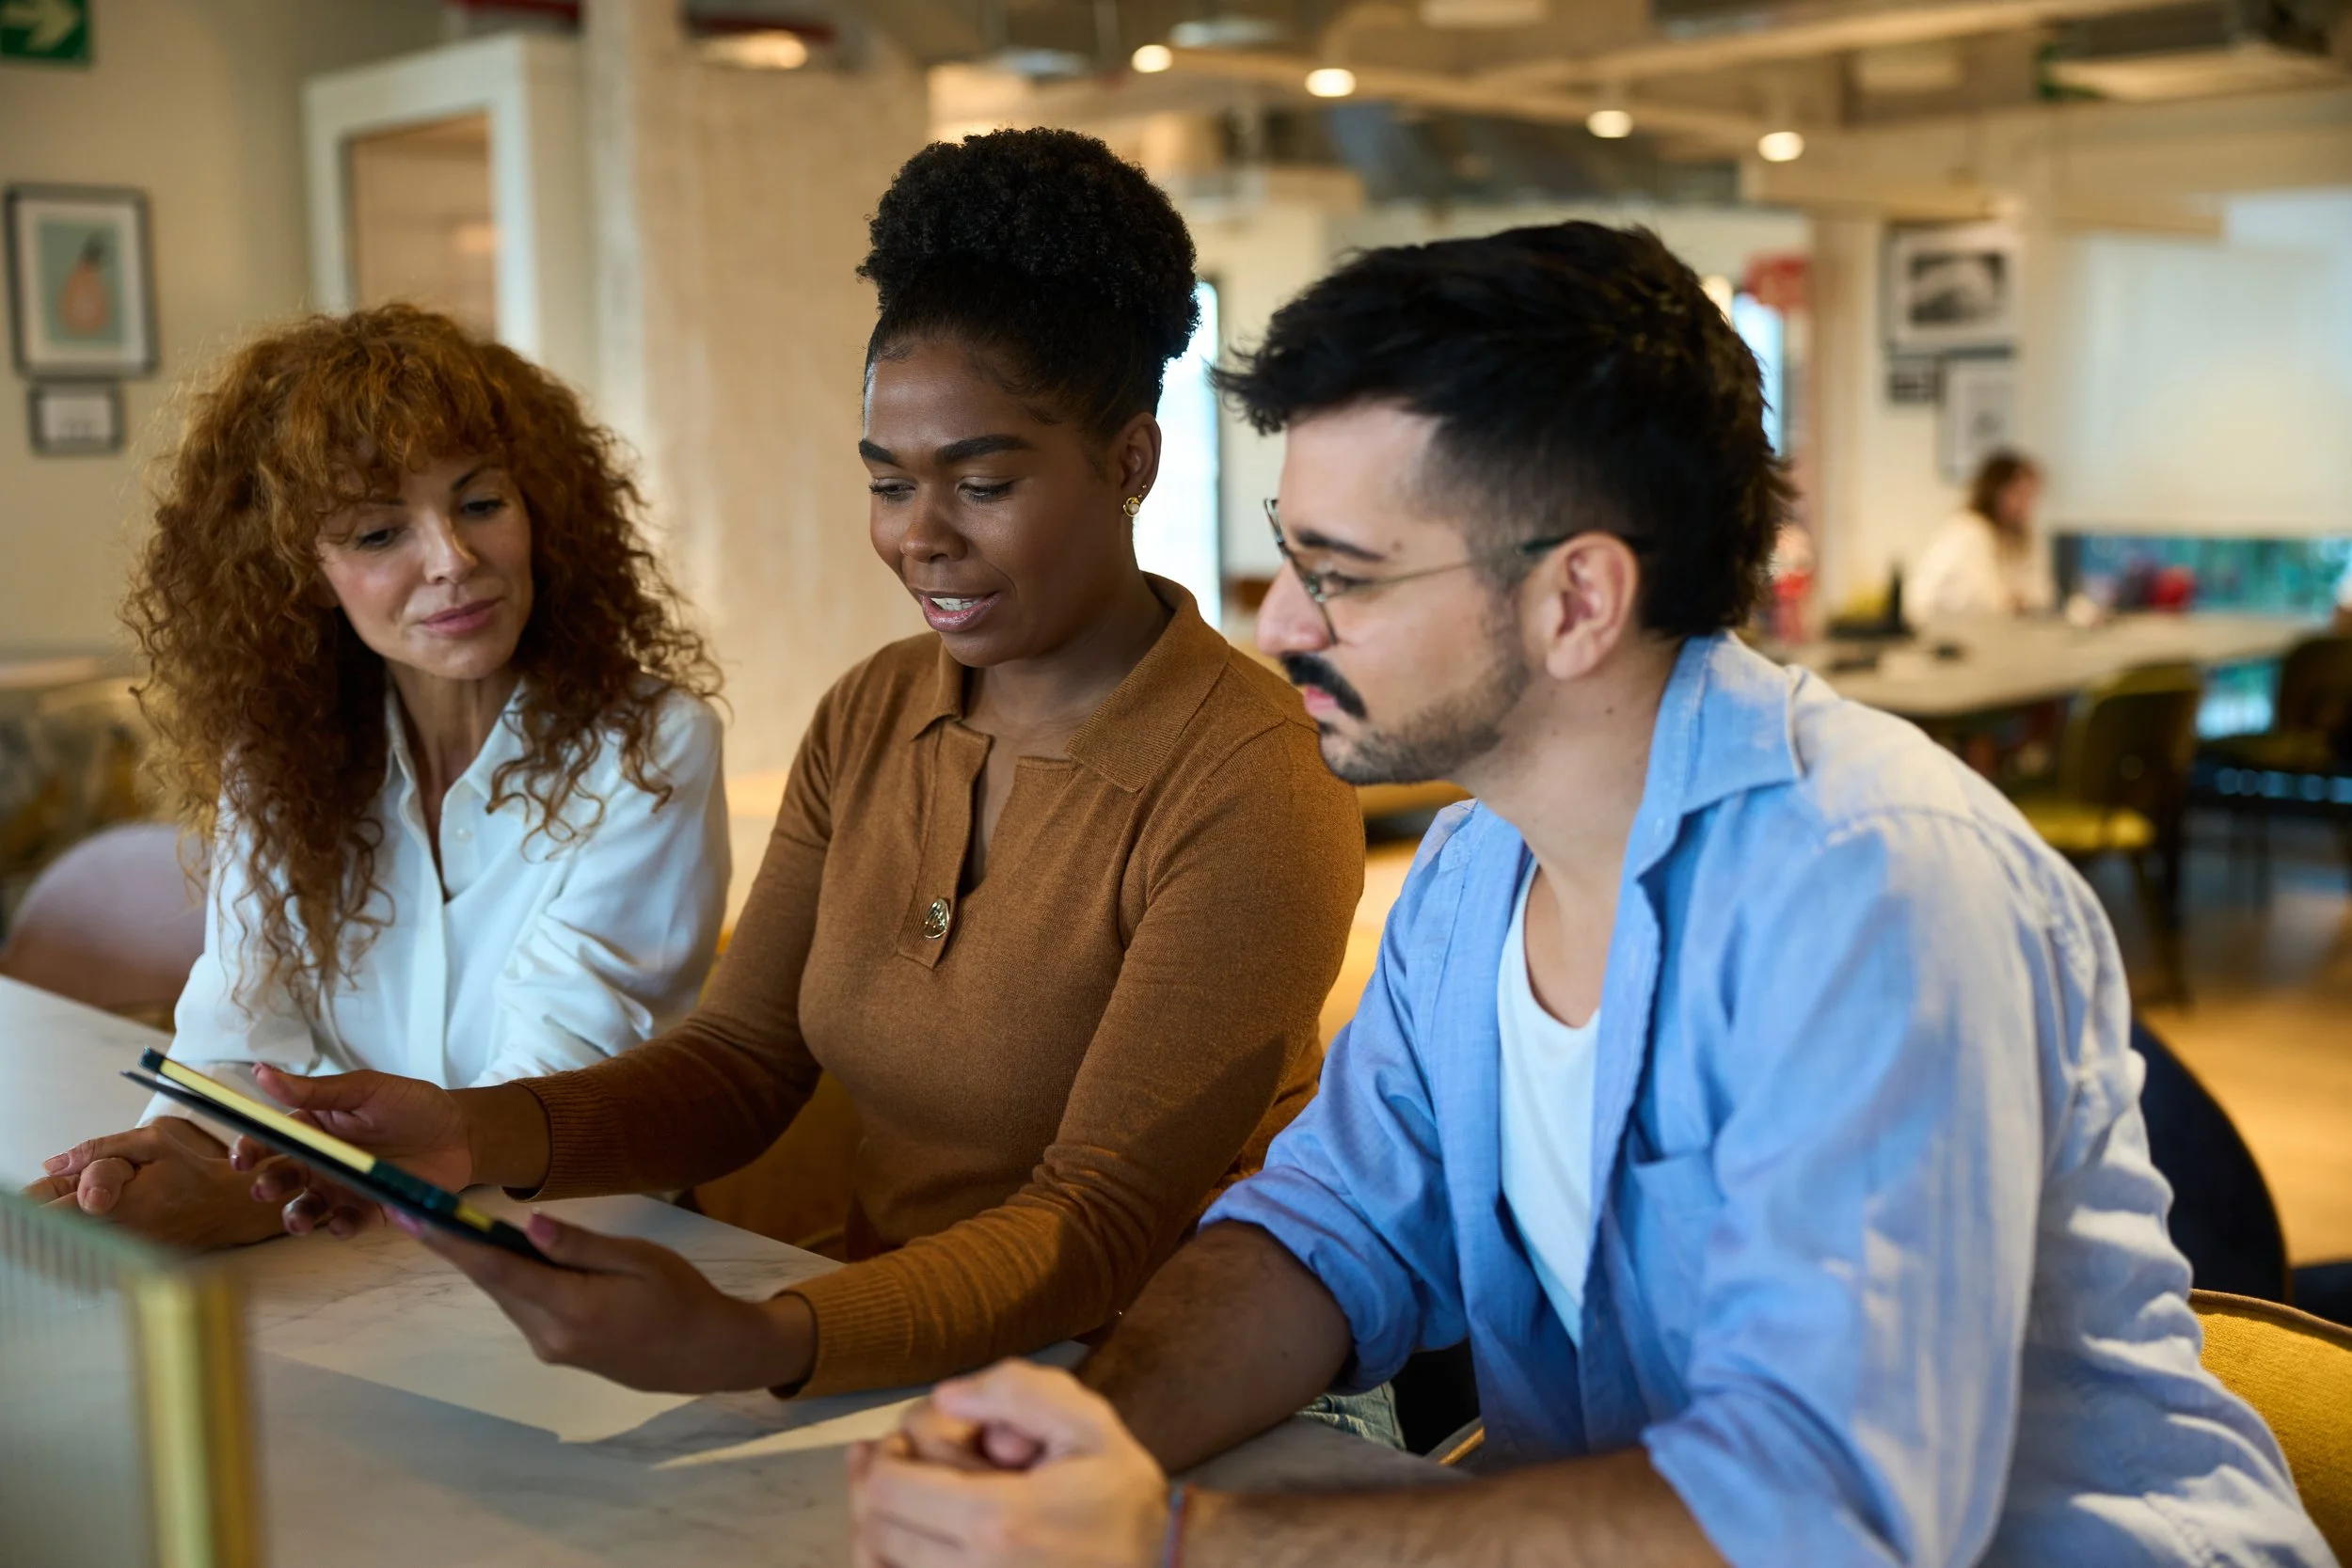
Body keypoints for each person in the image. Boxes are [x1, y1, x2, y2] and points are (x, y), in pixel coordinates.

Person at [845, 224, 2331, 1566]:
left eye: (1339, 573)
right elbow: (1328, 1229)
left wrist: (1174, 1535)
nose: (1279, 621)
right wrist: (1096, 1439)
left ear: (1576, 600)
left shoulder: (1869, 886)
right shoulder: (1474, 871)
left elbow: (1825, 1510)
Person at [224, 130, 1365, 1403]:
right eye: (887, 483)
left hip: (1151, 1390)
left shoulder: (1252, 781)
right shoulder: (872, 714)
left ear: (1131, 463)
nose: (920, 536)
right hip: (885, 1354)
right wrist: (463, 1130)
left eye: (981, 483)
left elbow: (1099, 1221)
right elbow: (741, 1062)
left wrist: (762, 1337)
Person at [27, 305, 728, 1250]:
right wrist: (173, 1148)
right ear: (302, 570)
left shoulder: (649, 745)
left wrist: (267, 1191)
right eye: (376, 532)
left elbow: (543, 1090)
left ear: (540, 510)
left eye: (481, 505)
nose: (454, 560)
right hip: (350, 1246)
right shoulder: (281, 760)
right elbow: (238, 1029)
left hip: (580, 1252)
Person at [1909, 449, 2056, 619]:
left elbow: (2041, 595)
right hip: (1947, 630)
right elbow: (1987, 598)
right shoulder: (1969, 530)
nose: (2026, 504)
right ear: (1996, 491)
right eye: (2019, 494)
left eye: (2031, 496)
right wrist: (2016, 602)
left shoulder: (2018, 537)